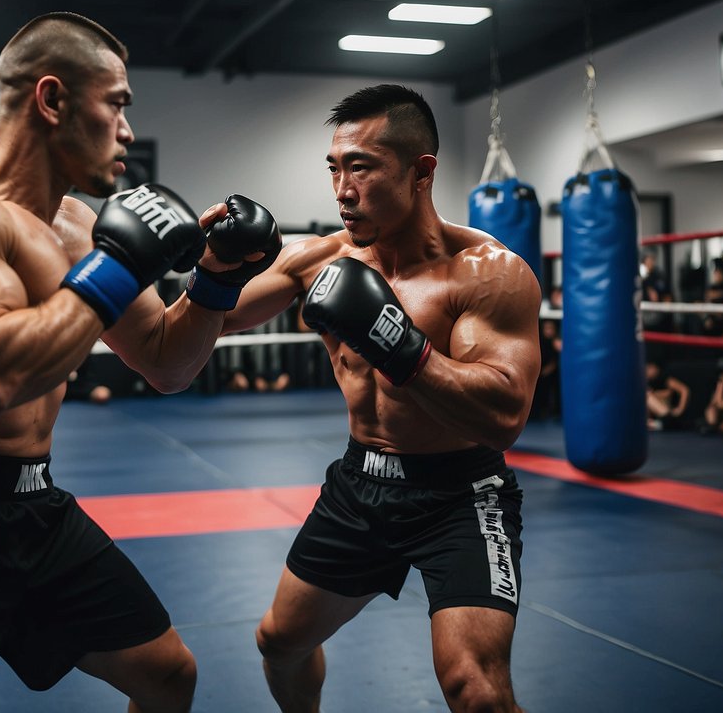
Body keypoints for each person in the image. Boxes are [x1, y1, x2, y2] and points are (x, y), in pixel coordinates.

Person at [0, 12, 281, 713]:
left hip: (36, 510)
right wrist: (119, 267)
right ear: (51, 99)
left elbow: (167, 363)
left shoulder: (79, 230)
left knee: (167, 676)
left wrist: (215, 280)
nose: (128, 130)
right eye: (118, 103)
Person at [213, 84, 541, 712]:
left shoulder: (490, 273)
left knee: (475, 688)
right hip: (359, 486)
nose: (341, 189)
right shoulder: (318, 261)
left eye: (360, 166)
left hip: (461, 493)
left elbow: (504, 418)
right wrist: (202, 270)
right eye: (334, 167)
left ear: (422, 173)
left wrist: (402, 349)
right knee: (278, 642)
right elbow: (205, 324)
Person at [645, 359, 690, 431]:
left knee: (648, 396)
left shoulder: (665, 379)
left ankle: (666, 421)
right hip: (657, 417)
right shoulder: (646, 383)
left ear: (656, 368)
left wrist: (680, 409)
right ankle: (649, 423)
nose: (647, 371)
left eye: (649, 368)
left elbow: (684, 390)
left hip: (668, 415)